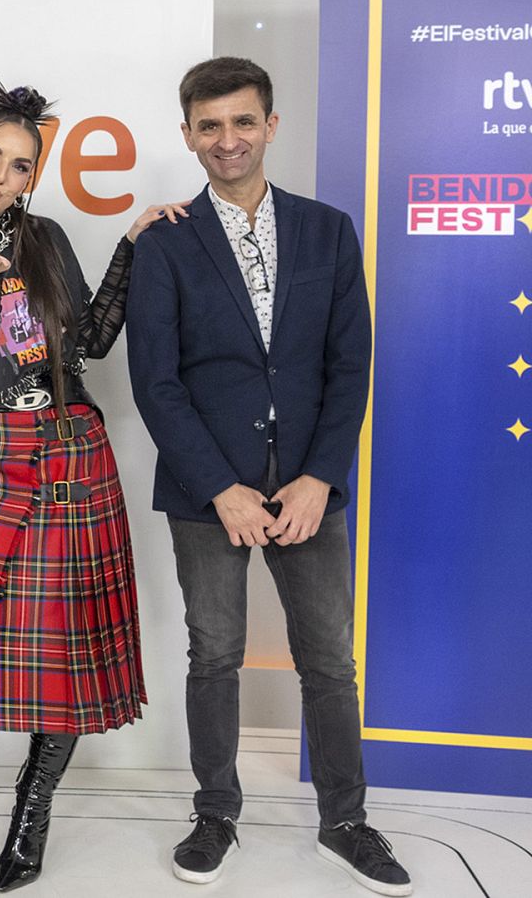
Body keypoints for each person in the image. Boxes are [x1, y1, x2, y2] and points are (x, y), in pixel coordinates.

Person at [126, 57, 410, 896]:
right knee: (214, 654)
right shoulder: (165, 243)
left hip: (308, 488)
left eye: (243, 121)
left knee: (328, 659)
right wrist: (221, 487)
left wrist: (321, 476)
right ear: (188, 135)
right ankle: (215, 813)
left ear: (270, 126)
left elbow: (349, 365)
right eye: (210, 126)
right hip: (206, 489)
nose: (228, 139)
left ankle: (345, 821)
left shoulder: (328, 230)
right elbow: (156, 382)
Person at [0, 80, 183, 892]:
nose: (0, 175)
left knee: (61, 649)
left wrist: (130, 246)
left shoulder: (46, 239)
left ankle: (34, 808)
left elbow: (84, 344)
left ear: (33, 177)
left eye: (20, 165)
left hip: (69, 453)